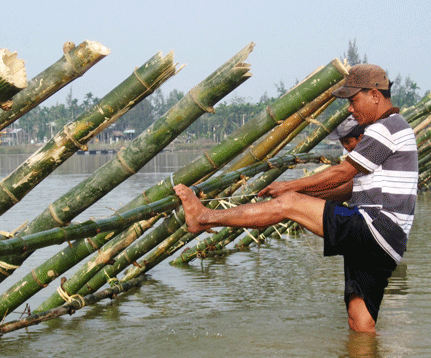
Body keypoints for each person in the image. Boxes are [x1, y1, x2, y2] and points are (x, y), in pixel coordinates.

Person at [174, 64, 418, 333]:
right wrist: (301, 193)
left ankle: (203, 217)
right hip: (389, 240)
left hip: (375, 225)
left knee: (287, 205)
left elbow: (342, 172)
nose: (350, 108)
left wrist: (290, 189)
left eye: (353, 100)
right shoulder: (395, 129)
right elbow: (348, 188)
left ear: (374, 94)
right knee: (359, 322)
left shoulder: (385, 127)